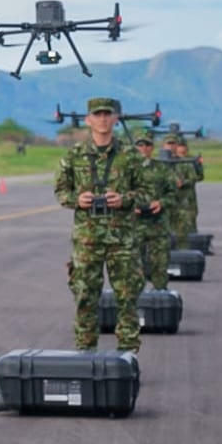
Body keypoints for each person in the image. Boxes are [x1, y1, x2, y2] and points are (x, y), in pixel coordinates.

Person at [54, 97, 150, 353]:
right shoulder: (74, 155)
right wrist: (77, 199)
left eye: (108, 114)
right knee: (85, 297)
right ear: (88, 120)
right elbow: (61, 191)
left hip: (123, 240)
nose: (103, 119)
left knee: (127, 299)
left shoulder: (130, 156)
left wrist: (125, 199)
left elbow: (146, 192)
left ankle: (128, 355)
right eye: (97, 115)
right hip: (88, 239)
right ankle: (86, 355)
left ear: (116, 119)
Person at [132, 130, 175, 290]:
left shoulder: (162, 169)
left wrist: (161, 203)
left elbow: (173, 194)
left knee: (160, 264)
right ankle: (137, 303)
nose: (143, 148)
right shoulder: (126, 170)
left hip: (158, 225)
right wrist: (131, 206)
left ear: (152, 148)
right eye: (140, 145)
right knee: (135, 266)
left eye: (147, 145)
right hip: (135, 225)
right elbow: (117, 194)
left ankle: (160, 300)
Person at [163, 134, 198, 249]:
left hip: (182, 205)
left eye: (173, 144)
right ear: (164, 146)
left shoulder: (185, 163)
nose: (171, 147)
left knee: (183, 235)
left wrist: (183, 182)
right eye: (168, 144)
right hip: (164, 206)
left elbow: (193, 178)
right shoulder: (159, 164)